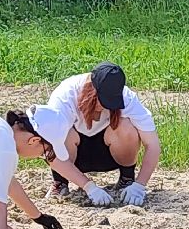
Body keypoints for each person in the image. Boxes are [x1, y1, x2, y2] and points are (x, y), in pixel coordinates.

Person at [31, 62, 160, 207]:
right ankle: (60, 182)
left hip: (109, 154)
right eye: (103, 100)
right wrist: (89, 187)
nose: (106, 106)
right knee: (62, 132)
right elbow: (50, 148)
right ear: (91, 89)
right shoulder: (65, 96)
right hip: (73, 157)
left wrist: (140, 185)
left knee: (126, 126)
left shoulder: (128, 98)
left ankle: (127, 180)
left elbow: (153, 144)